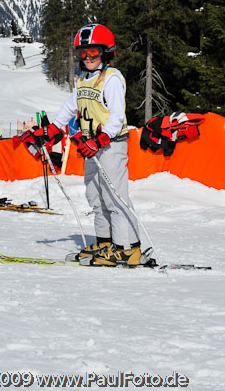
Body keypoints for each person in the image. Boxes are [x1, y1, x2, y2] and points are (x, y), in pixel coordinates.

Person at [33, 23, 141, 266]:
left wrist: (101, 140)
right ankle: (105, 243)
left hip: (111, 145)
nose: (88, 57)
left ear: (106, 52)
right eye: (83, 52)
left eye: (94, 52)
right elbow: (70, 106)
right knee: (95, 195)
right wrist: (52, 130)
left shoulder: (112, 79)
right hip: (90, 146)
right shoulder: (83, 79)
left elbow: (116, 117)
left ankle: (128, 248)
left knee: (115, 196)